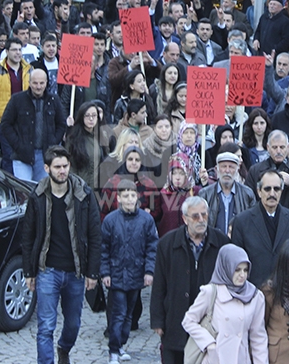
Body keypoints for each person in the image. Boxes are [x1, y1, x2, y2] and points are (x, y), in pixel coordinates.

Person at [21, 146, 101, 364]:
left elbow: (95, 233)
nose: (62, 171)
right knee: (46, 326)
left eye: (65, 166)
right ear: (47, 168)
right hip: (48, 270)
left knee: (73, 324)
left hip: (75, 271)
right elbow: (28, 235)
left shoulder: (83, 194)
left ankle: (64, 348)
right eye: (57, 167)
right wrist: (28, 271)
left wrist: (93, 272)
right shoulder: (37, 195)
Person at [150, 196, 231, 364]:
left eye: (204, 215)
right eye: (195, 216)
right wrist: (157, 319)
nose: (201, 220)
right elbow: (159, 284)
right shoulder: (167, 243)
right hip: (175, 317)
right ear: (185, 219)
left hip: (209, 320)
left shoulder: (222, 242)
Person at [101, 179, 158, 364]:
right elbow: (103, 249)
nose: (129, 199)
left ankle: (120, 345)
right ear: (118, 198)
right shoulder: (110, 221)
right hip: (116, 274)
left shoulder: (146, 220)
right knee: (118, 313)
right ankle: (113, 350)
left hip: (136, 273)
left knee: (129, 314)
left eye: (132, 195)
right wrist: (105, 273)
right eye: (125, 196)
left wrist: (149, 271)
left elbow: (152, 247)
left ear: (137, 197)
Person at [181, 244, 268, 364]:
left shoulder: (255, 296)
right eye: (237, 270)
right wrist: (209, 343)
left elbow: (258, 337)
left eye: (245, 270)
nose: (242, 275)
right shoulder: (211, 292)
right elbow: (188, 321)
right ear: (226, 267)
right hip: (215, 359)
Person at [232, 170, 289, 286]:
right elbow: (236, 261)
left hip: (286, 291)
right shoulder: (242, 221)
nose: (272, 193)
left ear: (281, 191)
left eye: (276, 189)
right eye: (267, 189)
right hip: (253, 292)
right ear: (259, 191)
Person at [0, 69, 66, 182]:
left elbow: (61, 123)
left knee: (41, 191)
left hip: (45, 156)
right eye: (35, 83)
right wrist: (17, 145)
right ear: (29, 82)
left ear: (46, 83)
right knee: (23, 190)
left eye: (42, 83)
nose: (38, 87)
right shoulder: (17, 100)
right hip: (22, 155)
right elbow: (5, 124)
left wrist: (53, 142)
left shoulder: (54, 100)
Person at [0, 37, 31, 173]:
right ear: (7, 52)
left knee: (23, 155)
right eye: (14, 50)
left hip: (25, 120)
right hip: (4, 120)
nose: (17, 53)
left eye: (19, 50)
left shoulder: (29, 69)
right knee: (8, 156)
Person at [246, 130, 289, 213]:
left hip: (288, 221)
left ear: (288, 148)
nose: (278, 151)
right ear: (268, 147)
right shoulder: (255, 170)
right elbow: (247, 200)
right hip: (261, 221)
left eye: (282, 147)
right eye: (274, 147)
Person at [198, 152, 257, 234]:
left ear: (237, 170)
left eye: (231, 167)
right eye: (223, 166)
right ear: (217, 169)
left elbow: (253, 224)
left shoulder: (247, 194)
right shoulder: (205, 194)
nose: (227, 171)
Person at [100, 146, 162, 223]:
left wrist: (147, 215)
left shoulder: (149, 184)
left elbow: (157, 211)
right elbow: (102, 213)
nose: (134, 163)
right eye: (130, 159)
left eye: (137, 160)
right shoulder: (112, 183)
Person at [65, 101, 111, 190]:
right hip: (80, 187)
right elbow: (70, 167)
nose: (91, 119)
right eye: (87, 115)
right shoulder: (73, 139)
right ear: (81, 117)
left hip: (99, 189)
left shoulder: (103, 136)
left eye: (94, 115)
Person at [158, 153, 200, 237]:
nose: (177, 177)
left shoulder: (195, 192)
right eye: (174, 173)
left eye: (181, 173)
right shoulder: (163, 194)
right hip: (167, 242)